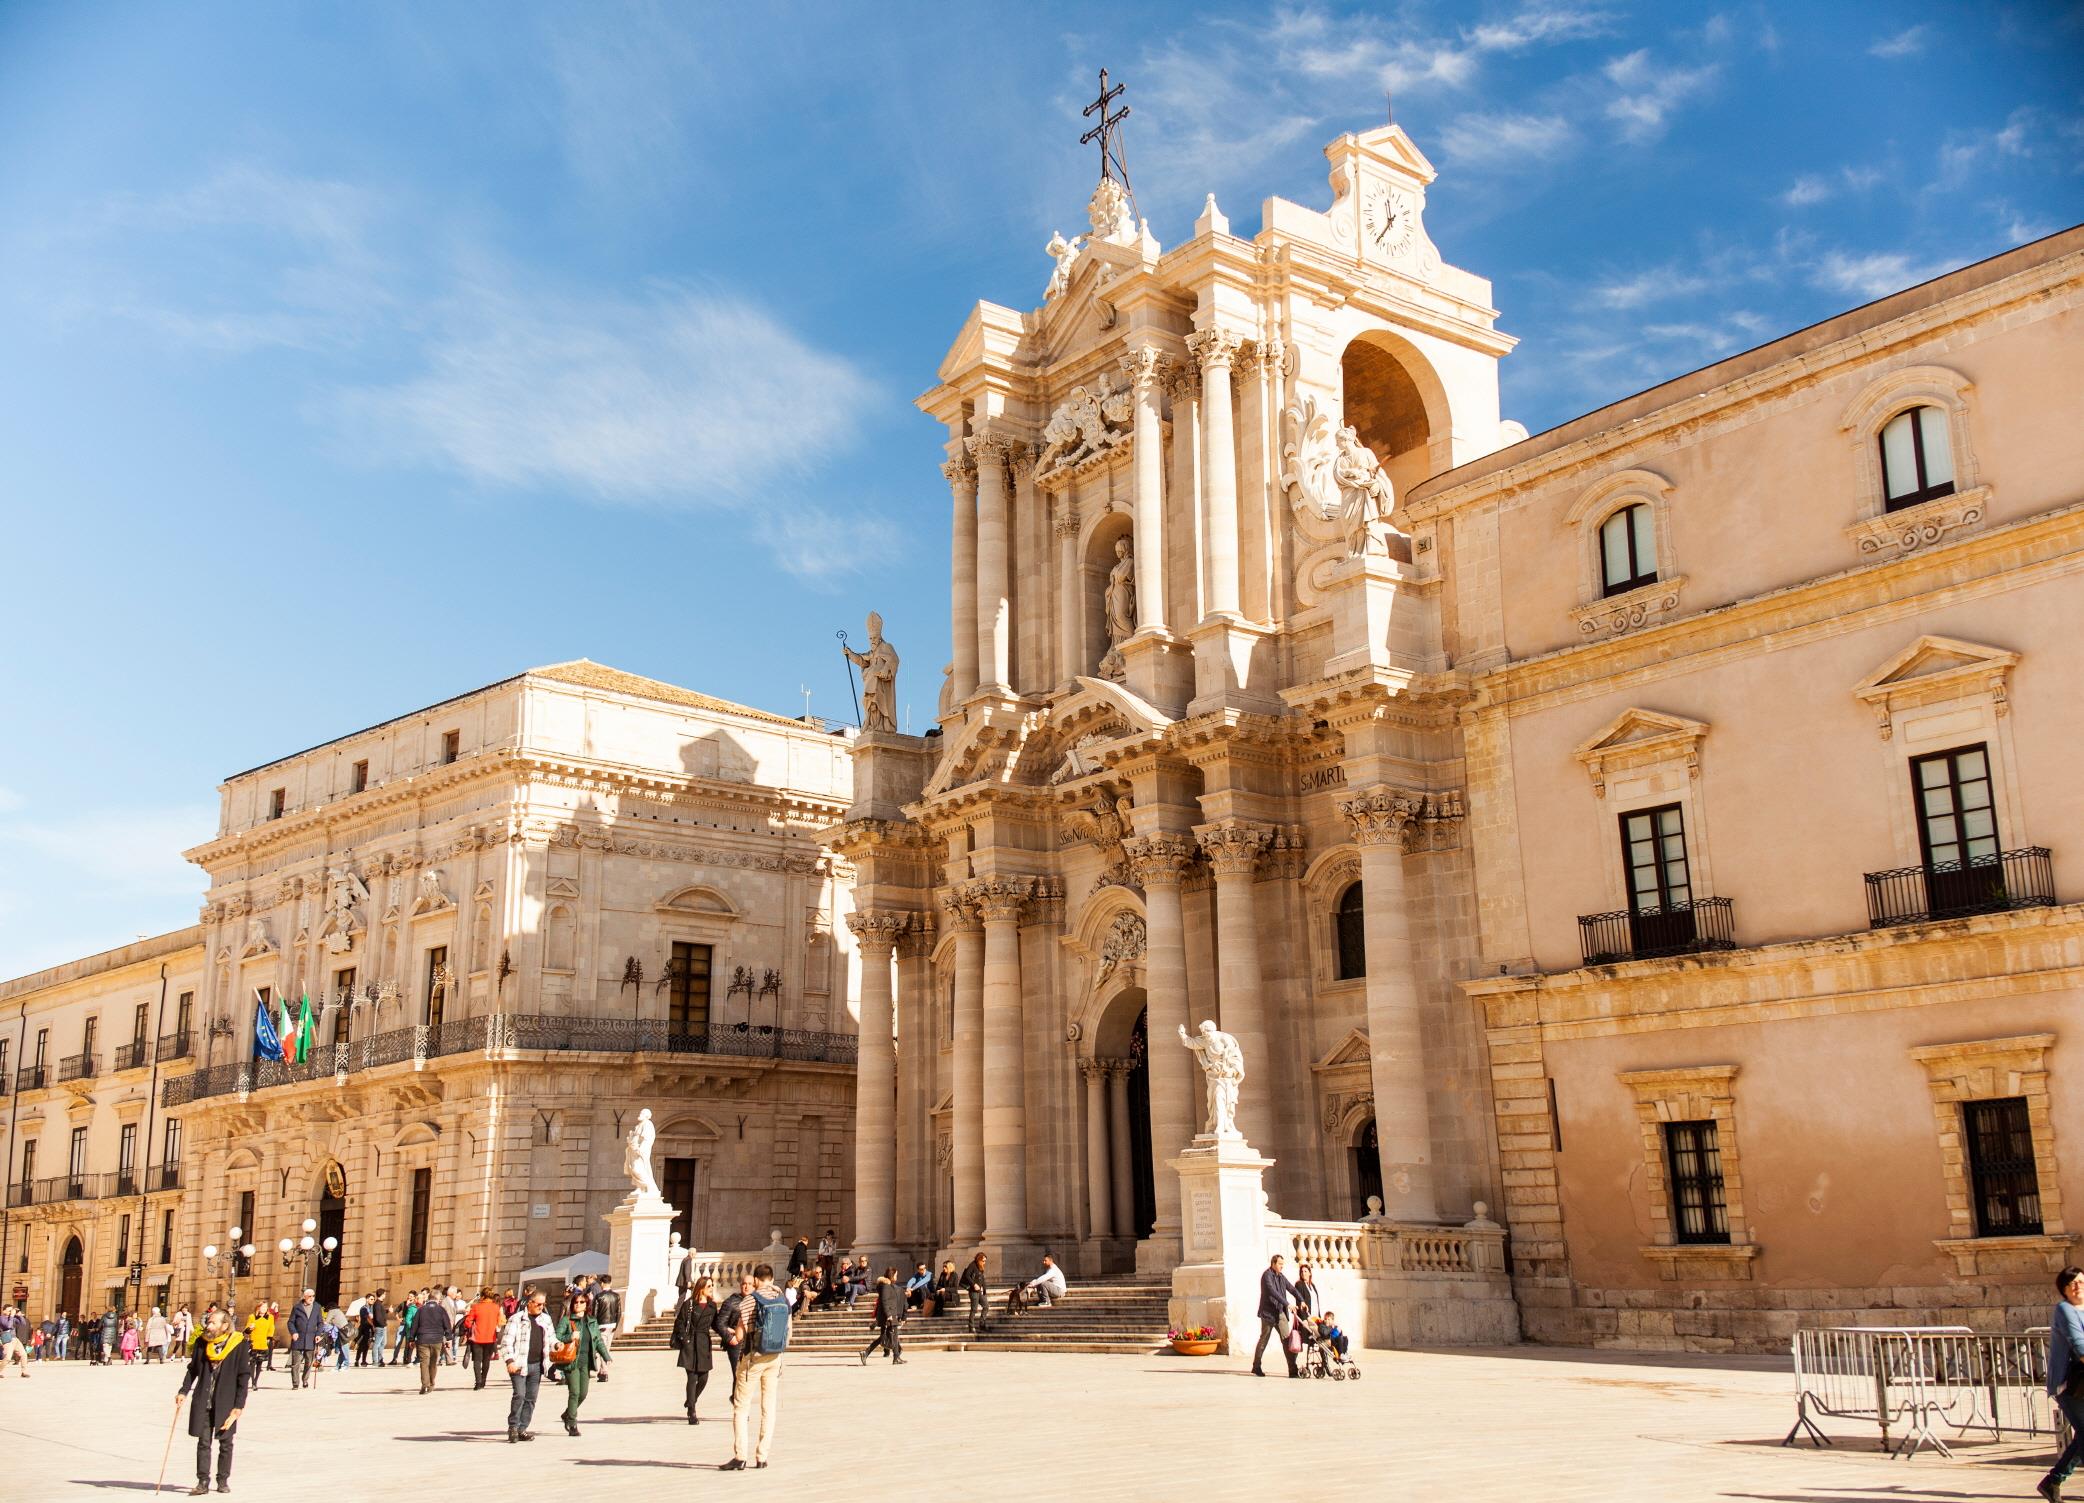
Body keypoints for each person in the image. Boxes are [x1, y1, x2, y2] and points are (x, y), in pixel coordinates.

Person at [176, 1308, 250, 1497]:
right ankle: (202, 1481)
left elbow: (243, 1376)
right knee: (203, 1442)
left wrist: (239, 1405)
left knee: (226, 1444)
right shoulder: (202, 1343)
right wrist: (183, 1391)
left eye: (212, 1322)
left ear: (225, 1325)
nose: (208, 1325)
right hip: (204, 1400)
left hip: (226, 1402)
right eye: (208, 1321)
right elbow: (192, 1369)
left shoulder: (238, 1343)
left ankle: (222, 1480)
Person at [724, 1263, 787, 1472]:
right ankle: (762, 1456)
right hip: (775, 1358)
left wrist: (733, 1332)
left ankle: (740, 1456)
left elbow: (740, 1335)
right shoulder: (782, 1299)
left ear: (757, 1280)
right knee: (768, 1408)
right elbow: (789, 1332)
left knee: (741, 1408)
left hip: (753, 1358)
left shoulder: (750, 1300)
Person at [2038, 1265, 2084, 1502]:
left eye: (2081, 1282)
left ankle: (2053, 1481)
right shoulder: (2065, 1310)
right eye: (2072, 1283)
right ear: (2064, 1289)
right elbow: (2079, 1344)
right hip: (2072, 1384)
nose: (2078, 1287)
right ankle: (2053, 1481)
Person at [498, 1288, 555, 1443]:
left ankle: (522, 1428)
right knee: (520, 1395)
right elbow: (507, 1342)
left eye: (543, 1305)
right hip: (519, 1363)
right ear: (530, 1303)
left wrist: (557, 1346)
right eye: (538, 1304)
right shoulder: (517, 1319)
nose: (541, 1307)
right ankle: (513, 1427)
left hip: (537, 1365)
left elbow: (551, 1338)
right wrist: (509, 1360)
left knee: (531, 1398)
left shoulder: (545, 1319)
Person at [554, 1288, 610, 1436]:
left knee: (583, 1393)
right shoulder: (567, 1320)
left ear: (587, 1304)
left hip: (586, 1361)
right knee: (574, 1392)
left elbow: (597, 1341)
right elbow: (557, 1337)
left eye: (582, 1302)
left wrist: (606, 1356)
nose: (578, 1304)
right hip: (571, 1361)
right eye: (576, 1302)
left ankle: (567, 1413)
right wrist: (570, 1337)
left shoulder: (591, 1321)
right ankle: (572, 1424)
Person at [1252, 1252, 1299, 1379]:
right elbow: (1273, 1292)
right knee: (1264, 1340)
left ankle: (1293, 1370)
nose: (1281, 1266)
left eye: (1283, 1264)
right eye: (1279, 1264)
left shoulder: (1281, 1276)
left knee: (1287, 1340)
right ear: (1273, 1264)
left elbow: (1291, 1288)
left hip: (1280, 1313)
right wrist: (1287, 1303)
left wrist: (1301, 1300)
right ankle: (1256, 1366)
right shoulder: (1267, 1275)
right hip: (1268, 1314)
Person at [860, 1268, 907, 1367]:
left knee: (893, 1336)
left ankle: (896, 1357)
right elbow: (885, 1301)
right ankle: (866, 1352)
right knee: (886, 1337)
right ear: (891, 1275)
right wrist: (889, 1315)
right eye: (895, 1275)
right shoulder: (886, 1286)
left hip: (892, 1314)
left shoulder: (890, 1286)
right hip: (889, 1316)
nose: (896, 1277)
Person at [717, 1273, 757, 1385]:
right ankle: (736, 1399)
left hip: (753, 1343)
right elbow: (720, 1323)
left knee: (749, 1377)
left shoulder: (757, 1301)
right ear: (740, 1285)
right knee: (738, 1375)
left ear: (754, 1286)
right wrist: (730, 1338)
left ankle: (739, 1399)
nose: (746, 1286)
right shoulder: (731, 1302)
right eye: (744, 1283)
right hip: (737, 1344)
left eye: (750, 1284)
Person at [413, 1285, 452, 1394]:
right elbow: (447, 1324)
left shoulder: (421, 1310)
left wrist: (411, 1339)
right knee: (433, 1363)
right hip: (437, 1340)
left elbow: (415, 1325)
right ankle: (431, 1383)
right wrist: (448, 1338)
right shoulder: (441, 1310)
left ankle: (424, 1385)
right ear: (438, 1299)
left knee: (424, 1363)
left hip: (423, 1339)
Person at [464, 1287, 503, 1390]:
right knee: (486, 1360)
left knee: (477, 1360)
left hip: (477, 1337)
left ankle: (478, 1382)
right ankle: (483, 1381)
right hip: (491, 1338)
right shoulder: (496, 1307)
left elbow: (468, 1323)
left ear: (482, 1296)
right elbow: (501, 1321)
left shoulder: (476, 1306)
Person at [284, 1290, 320, 1390]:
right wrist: (293, 1332)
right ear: (304, 1297)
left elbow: (320, 1323)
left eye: (313, 1296)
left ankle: (305, 1380)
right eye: (309, 1296)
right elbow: (290, 1322)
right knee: (296, 1362)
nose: (311, 1298)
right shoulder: (297, 1307)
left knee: (309, 1361)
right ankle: (295, 1383)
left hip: (311, 1338)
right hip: (298, 1338)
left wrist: (318, 1334)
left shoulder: (317, 1307)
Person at [590, 1277, 618, 1381]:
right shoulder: (616, 1296)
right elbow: (618, 1312)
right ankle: (603, 1370)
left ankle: (604, 1372)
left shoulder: (599, 1296)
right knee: (607, 1348)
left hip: (601, 1325)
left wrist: (593, 1325)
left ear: (602, 1283)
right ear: (610, 1283)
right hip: (612, 1325)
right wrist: (616, 1324)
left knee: (602, 1349)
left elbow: (595, 1312)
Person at [959, 1252, 992, 1334]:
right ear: (979, 1259)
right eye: (983, 1261)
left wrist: (984, 1290)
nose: (984, 1263)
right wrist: (973, 1285)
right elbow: (967, 1275)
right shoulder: (972, 1265)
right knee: (974, 1309)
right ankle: (971, 1327)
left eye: (985, 1261)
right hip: (973, 1291)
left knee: (986, 1306)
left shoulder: (980, 1266)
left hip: (980, 1291)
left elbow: (982, 1278)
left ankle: (982, 1324)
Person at [243, 1303, 274, 1384]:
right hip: (254, 1343)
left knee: (259, 1364)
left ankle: (255, 1381)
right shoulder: (252, 1317)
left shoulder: (270, 1317)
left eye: (265, 1307)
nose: (264, 1308)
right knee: (252, 1363)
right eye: (262, 1307)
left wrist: (269, 1338)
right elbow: (246, 1330)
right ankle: (253, 1381)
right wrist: (250, 1328)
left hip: (263, 1343)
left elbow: (271, 1329)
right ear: (258, 1308)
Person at [2, 1305, 30, 1375]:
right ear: (3, 1311)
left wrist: (19, 1315)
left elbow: (23, 1323)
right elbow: (8, 1326)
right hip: (8, 1339)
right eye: (9, 1310)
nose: (10, 1312)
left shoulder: (12, 1318)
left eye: (11, 1310)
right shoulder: (1, 1318)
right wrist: (12, 1316)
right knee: (8, 1358)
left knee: (24, 1354)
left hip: (15, 1339)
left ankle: (24, 1372)